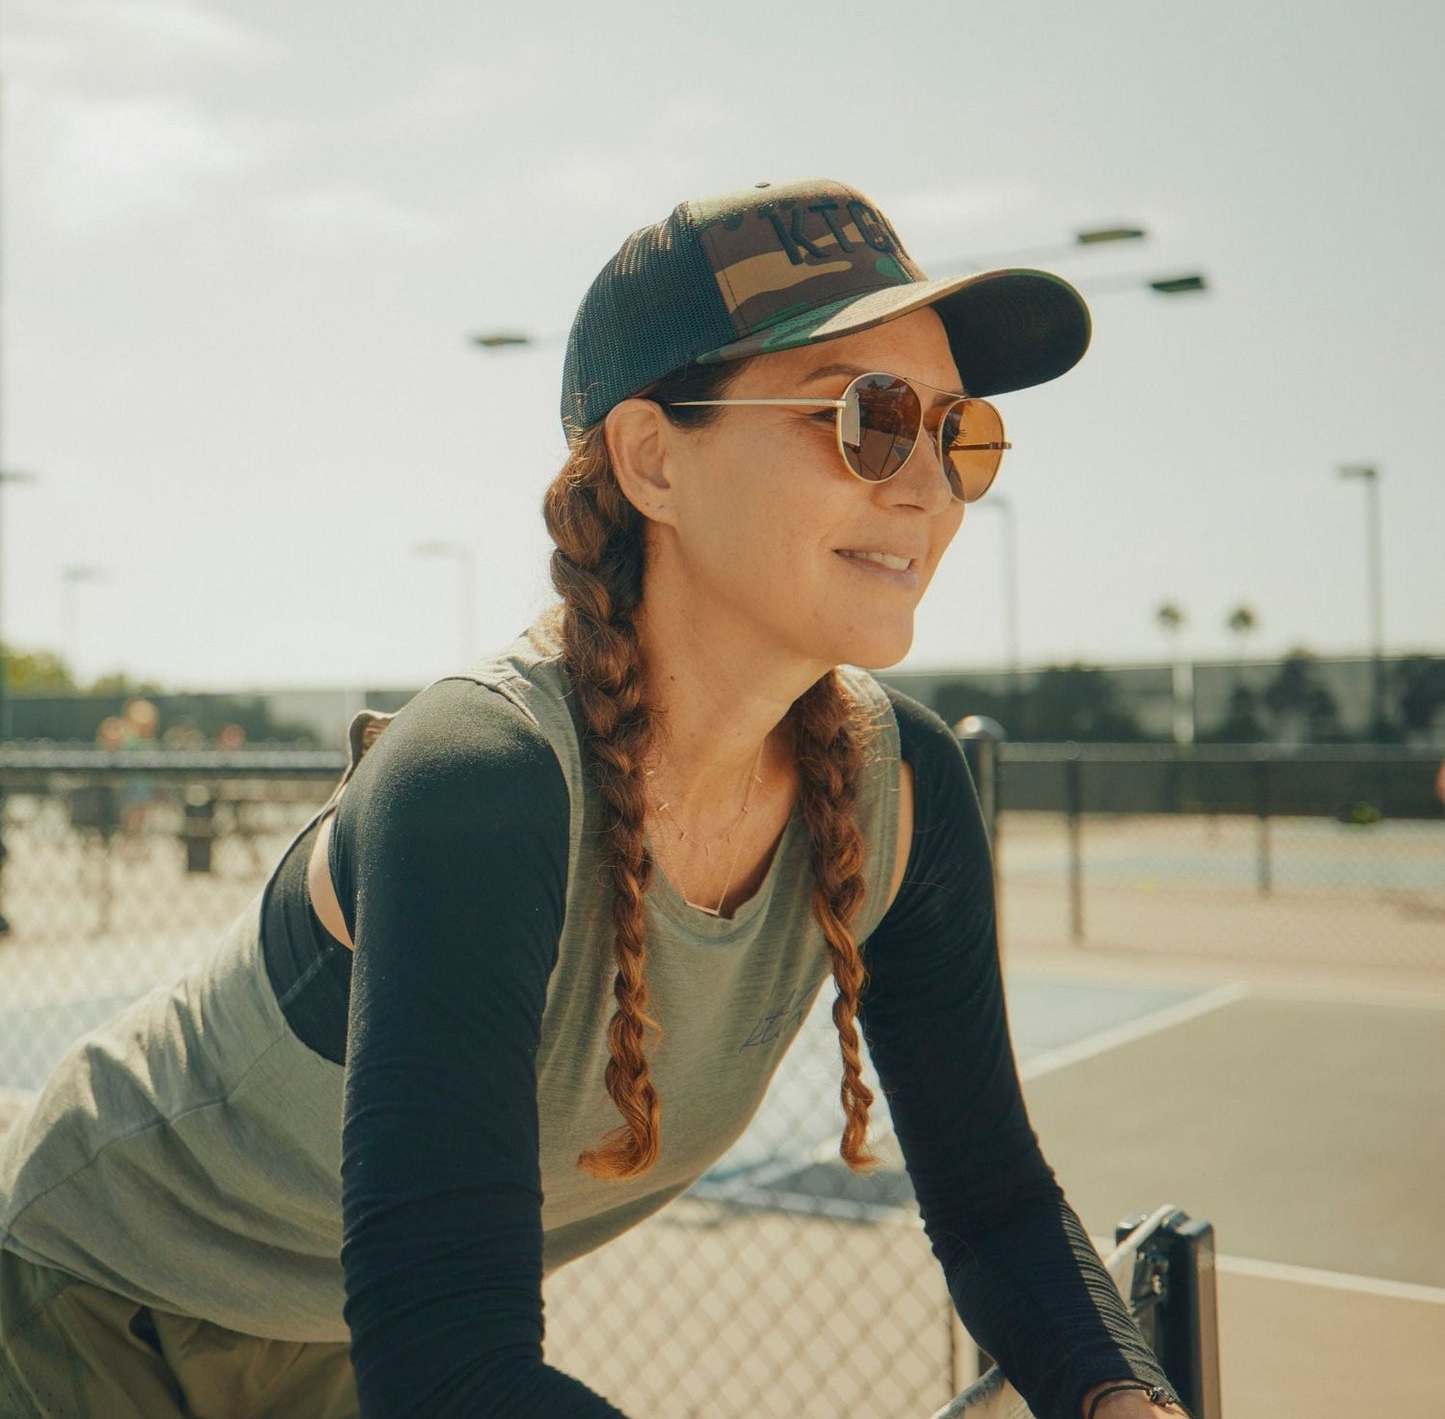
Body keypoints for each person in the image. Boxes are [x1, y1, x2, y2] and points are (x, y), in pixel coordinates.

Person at [0, 178, 1188, 1419]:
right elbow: (445, 1363)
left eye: (957, 434)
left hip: (361, 1322)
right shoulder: (481, 777)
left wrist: (1122, 1396)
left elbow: (994, 1204)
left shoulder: (899, 790)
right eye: (866, 417)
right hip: (96, 1290)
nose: (927, 487)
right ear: (651, 459)